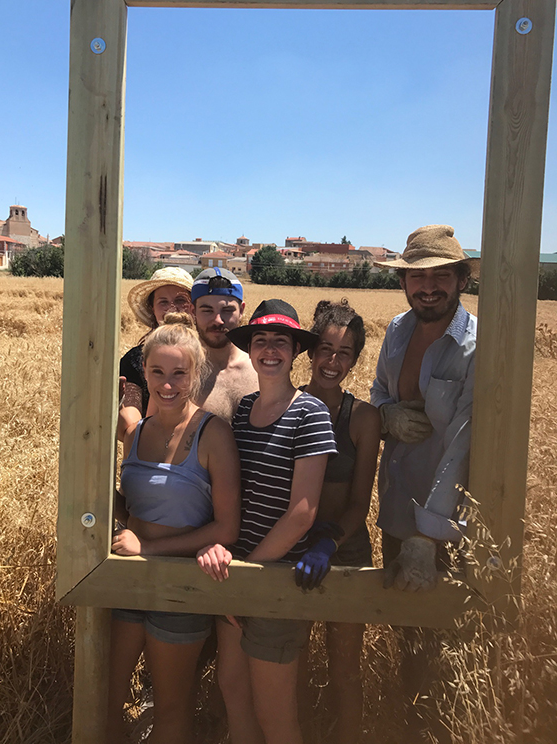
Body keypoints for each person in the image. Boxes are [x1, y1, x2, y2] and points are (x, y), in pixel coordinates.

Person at [197, 299, 338, 744]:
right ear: (251, 349)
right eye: (261, 341)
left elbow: (302, 514)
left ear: (296, 350)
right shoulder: (244, 409)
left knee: (275, 715)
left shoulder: (310, 412)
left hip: (272, 583)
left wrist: (247, 577)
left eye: (281, 341)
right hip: (237, 577)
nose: (270, 349)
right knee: (234, 692)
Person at [108, 313, 241, 744]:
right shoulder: (136, 432)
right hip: (128, 581)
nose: (168, 384)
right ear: (143, 374)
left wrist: (147, 548)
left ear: (196, 374)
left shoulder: (213, 434)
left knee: (169, 706)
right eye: (157, 372)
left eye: (179, 373)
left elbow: (227, 526)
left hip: (179, 586)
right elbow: (132, 507)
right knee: (108, 697)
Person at [370, 224, 477, 735]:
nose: (427, 286)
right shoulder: (397, 330)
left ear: (461, 278)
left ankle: (445, 727)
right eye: (417, 277)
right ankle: (409, 721)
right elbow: (377, 392)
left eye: (440, 275)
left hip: (446, 522)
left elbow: (463, 444)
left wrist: (425, 535)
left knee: (448, 637)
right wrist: (386, 415)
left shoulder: (475, 346)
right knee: (406, 630)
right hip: (395, 506)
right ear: (404, 283)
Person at [294, 299, 381, 744]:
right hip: (290, 551)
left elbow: (358, 503)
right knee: (289, 663)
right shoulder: (286, 406)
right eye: (325, 349)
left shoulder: (363, 418)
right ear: (309, 352)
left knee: (345, 666)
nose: (332, 361)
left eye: (345, 353)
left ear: (356, 359)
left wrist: (328, 541)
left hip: (343, 551)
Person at [118, 266, 193, 440]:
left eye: (181, 300)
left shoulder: (212, 355)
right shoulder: (134, 360)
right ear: (152, 308)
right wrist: (119, 406)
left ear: (194, 307)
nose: (172, 308)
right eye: (163, 302)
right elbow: (130, 425)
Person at [190, 267, 259, 422]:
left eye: (227, 310)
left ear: (241, 311)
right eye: (207, 311)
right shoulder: (182, 373)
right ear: (192, 311)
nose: (218, 320)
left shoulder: (262, 369)